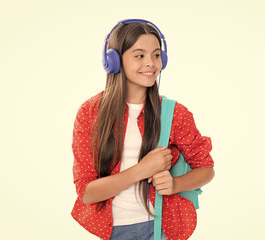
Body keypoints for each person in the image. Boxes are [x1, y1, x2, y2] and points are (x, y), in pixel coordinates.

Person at [71, 19, 215, 240]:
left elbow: (206, 168)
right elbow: (87, 193)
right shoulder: (90, 113)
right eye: (139, 55)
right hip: (113, 230)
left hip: (161, 229)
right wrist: (143, 169)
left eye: (156, 55)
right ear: (115, 61)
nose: (151, 63)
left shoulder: (174, 113)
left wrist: (175, 184)